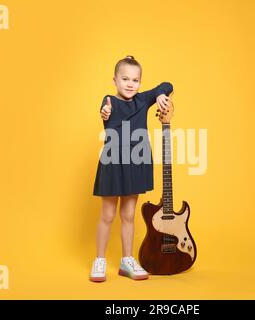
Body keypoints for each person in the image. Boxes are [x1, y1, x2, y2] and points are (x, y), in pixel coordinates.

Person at [90, 55, 173, 282]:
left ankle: (127, 260)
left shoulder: (143, 100)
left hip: (136, 162)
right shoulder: (109, 100)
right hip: (113, 161)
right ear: (115, 80)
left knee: (128, 215)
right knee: (107, 215)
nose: (129, 84)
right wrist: (104, 113)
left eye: (135, 80)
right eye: (125, 79)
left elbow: (167, 84)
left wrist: (161, 94)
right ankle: (100, 260)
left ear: (140, 83)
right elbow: (104, 111)